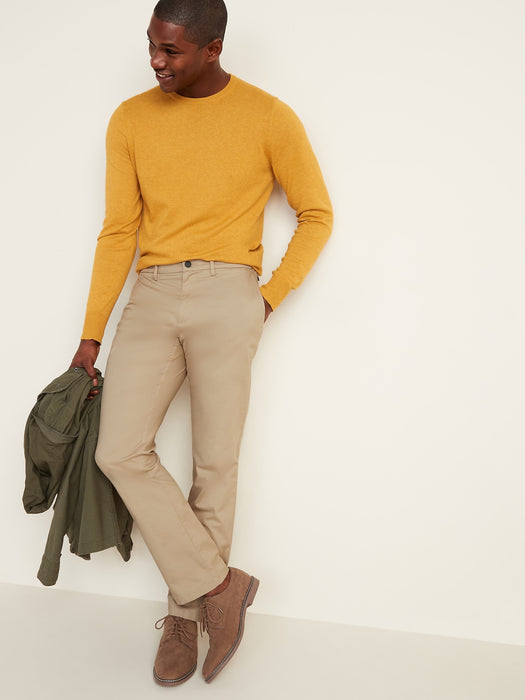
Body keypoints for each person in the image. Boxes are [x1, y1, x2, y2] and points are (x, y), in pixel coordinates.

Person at [70, 0, 332, 686]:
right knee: (119, 449)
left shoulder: (268, 116)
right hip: (153, 292)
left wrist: (268, 297)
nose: (156, 61)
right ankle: (219, 587)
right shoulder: (130, 118)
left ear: (212, 48)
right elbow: (118, 230)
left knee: (214, 463)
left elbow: (316, 213)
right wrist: (91, 332)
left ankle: (185, 616)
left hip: (228, 292)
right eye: (152, 46)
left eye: (171, 50)